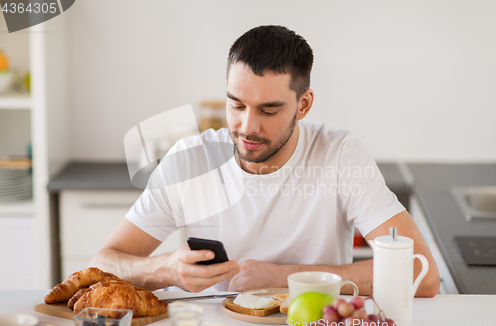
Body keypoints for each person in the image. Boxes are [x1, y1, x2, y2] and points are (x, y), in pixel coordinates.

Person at [90, 25, 440, 297]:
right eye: (237, 105)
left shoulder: (339, 156)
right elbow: (103, 263)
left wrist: (283, 278)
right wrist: (166, 270)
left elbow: (421, 273)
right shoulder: (189, 161)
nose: (247, 127)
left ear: (303, 105)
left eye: (268, 110)